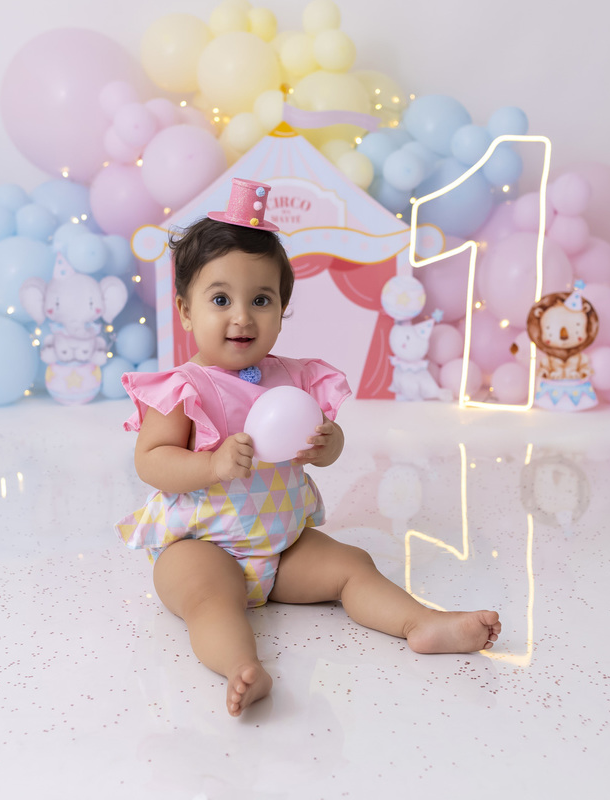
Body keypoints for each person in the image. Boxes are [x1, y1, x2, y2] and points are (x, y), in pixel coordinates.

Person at [116, 178, 501, 717]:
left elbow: (325, 443)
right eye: (220, 299)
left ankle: (423, 624)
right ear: (184, 310)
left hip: (282, 546)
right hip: (201, 545)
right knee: (210, 600)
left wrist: (327, 443)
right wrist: (212, 463)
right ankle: (240, 668)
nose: (242, 316)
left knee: (351, 564)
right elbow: (151, 462)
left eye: (261, 299)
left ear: (282, 308)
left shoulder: (293, 379)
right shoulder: (183, 389)